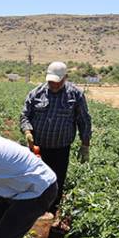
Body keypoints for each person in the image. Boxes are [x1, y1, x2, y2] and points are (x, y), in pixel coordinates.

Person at [20, 61, 92, 221]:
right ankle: (32, 214)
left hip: (61, 149)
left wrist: (85, 144)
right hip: (37, 149)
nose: (53, 84)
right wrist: (27, 130)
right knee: (34, 181)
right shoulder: (36, 93)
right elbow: (25, 115)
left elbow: (84, 121)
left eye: (57, 82)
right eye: (51, 81)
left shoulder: (75, 95)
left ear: (65, 78)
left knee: (56, 182)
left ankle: (51, 214)